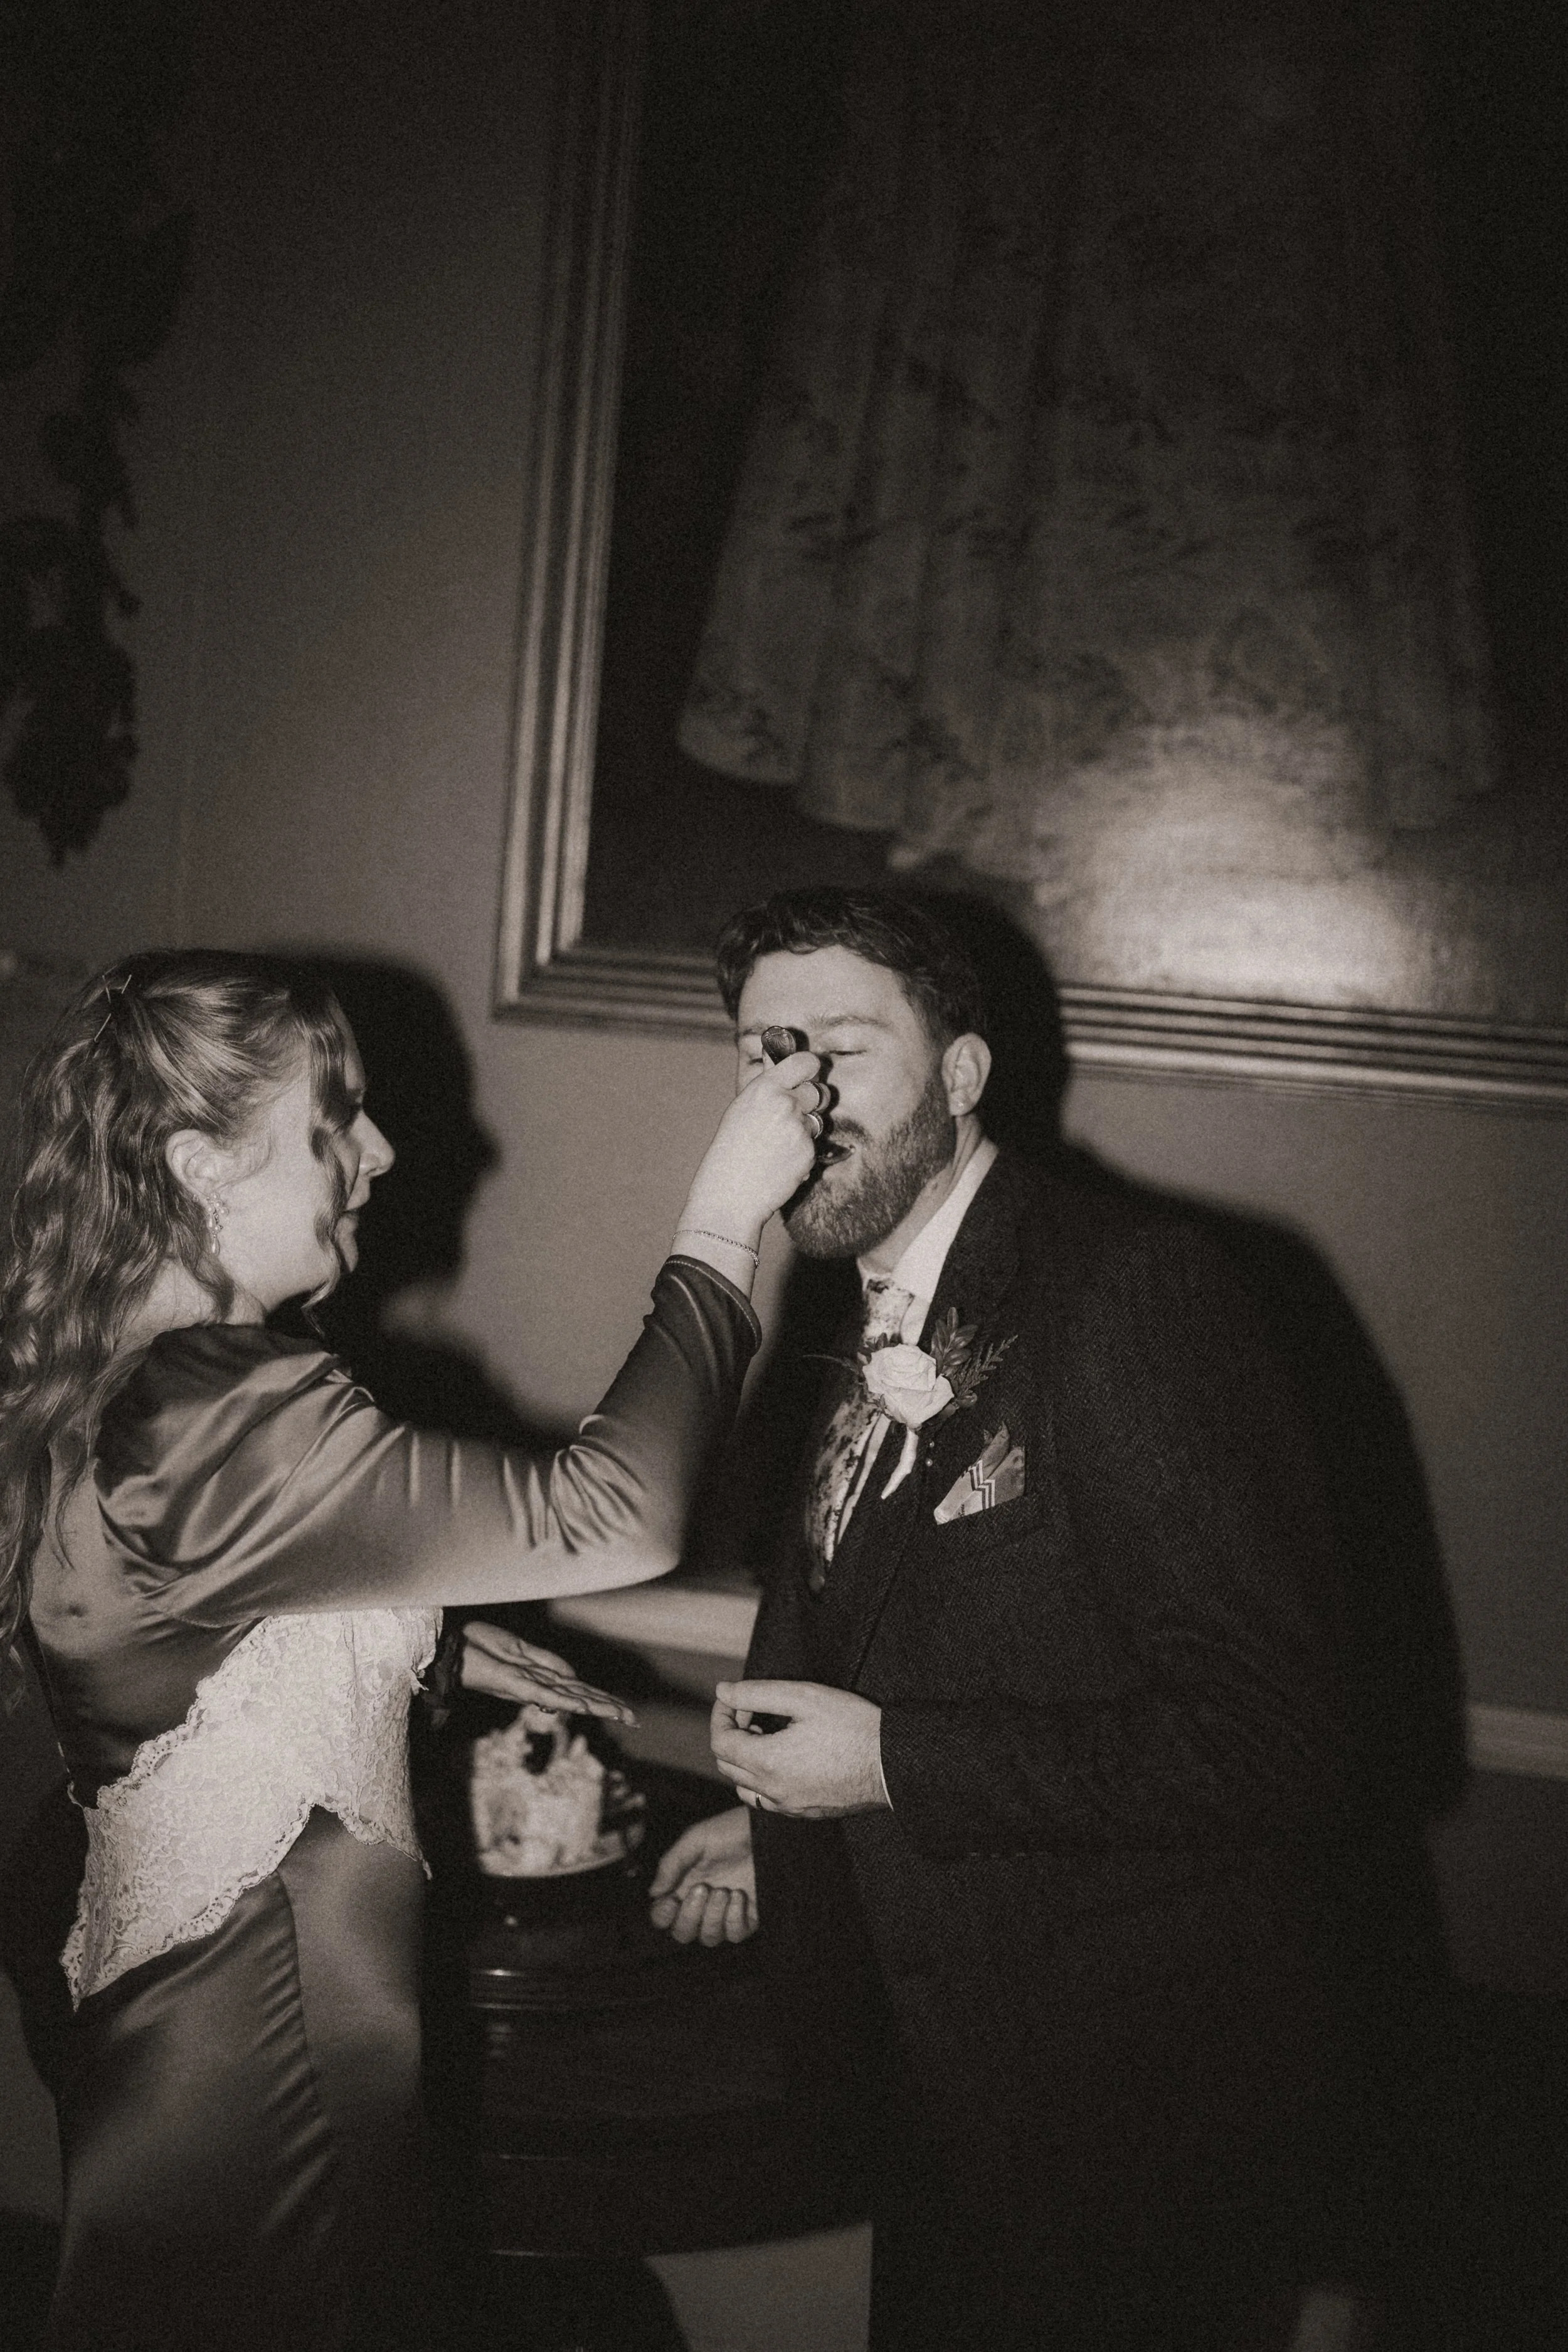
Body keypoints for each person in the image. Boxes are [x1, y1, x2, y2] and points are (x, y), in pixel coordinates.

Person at [650, 887, 1438, 2352]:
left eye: (840, 1050)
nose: (795, 1098)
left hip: (1124, 2111)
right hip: (946, 2084)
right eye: (765, 1053)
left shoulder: (1131, 1291)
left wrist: (887, 1771)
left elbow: (1284, 1741)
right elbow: (886, 1619)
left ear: (960, 1075)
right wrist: (783, 1824)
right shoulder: (867, 1293)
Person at [1, 948, 823, 2352]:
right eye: (338, 1118)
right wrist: (725, 1220)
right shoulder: (221, 1403)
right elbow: (612, 1517)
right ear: (202, 1164)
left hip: (181, 2043)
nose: (378, 1153)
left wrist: (422, 1647)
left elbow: (137, 1628)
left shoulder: (120, 1373)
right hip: (278, 2061)